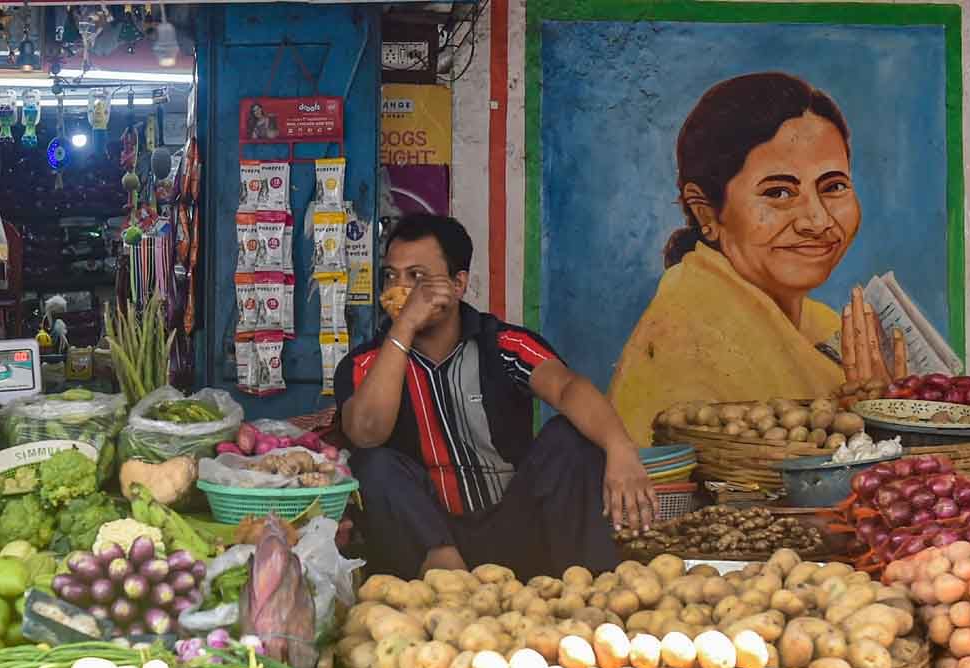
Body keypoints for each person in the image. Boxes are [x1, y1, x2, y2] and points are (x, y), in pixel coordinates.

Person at [335, 214, 655, 581]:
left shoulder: (503, 345)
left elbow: (566, 388)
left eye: (418, 277)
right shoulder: (367, 362)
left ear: (458, 285)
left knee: (571, 439)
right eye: (391, 276)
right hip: (426, 541)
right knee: (372, 463)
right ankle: (453, 587)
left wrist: (620, 448)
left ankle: (588, 587)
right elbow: (365, 433)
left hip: (513, 529)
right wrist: (403, 327)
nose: (401, 288)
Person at [609, 73, 859, 444]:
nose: (818, 221)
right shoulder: (682, 346)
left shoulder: (823, 325)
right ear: (707, 214)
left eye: (834, 186)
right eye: (779, 192)